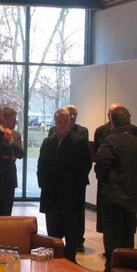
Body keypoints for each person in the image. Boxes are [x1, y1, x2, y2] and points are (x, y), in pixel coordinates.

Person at [95, 106, 137, 272]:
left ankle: (111, 271)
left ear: (112, 122)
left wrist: (111, 180)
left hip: (114, 198)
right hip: (133, 198)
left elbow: (101, 166)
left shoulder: (110, 141)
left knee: (112, 237)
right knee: (128, 237)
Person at [37, 107, 93, 262]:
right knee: (53, 229)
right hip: (52, 193)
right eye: (59, 122)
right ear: (55, 123)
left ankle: (70, 260)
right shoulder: (48, 142)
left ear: (69, 122)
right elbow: (41, 165)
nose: (62, 125)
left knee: (71, 229)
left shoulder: (78, 141)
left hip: (71, 193)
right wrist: (43, 183)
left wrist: (77, 184)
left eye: (65, 121)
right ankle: (56, 259)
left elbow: (86, 164)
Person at [93, 103, 137, 231]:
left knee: (119, 228)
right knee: (116, 226)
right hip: (115, 187)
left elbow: (101, 164)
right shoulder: (101, 131)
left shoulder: (131, 133)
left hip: (120, 188)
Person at [0, 106, 24, 216]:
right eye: (13, 120)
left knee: (7, 210)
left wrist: (11, 141)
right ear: (4, 120)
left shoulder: (16, 135)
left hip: (10, 176)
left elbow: (20, 154)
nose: (16, 122)